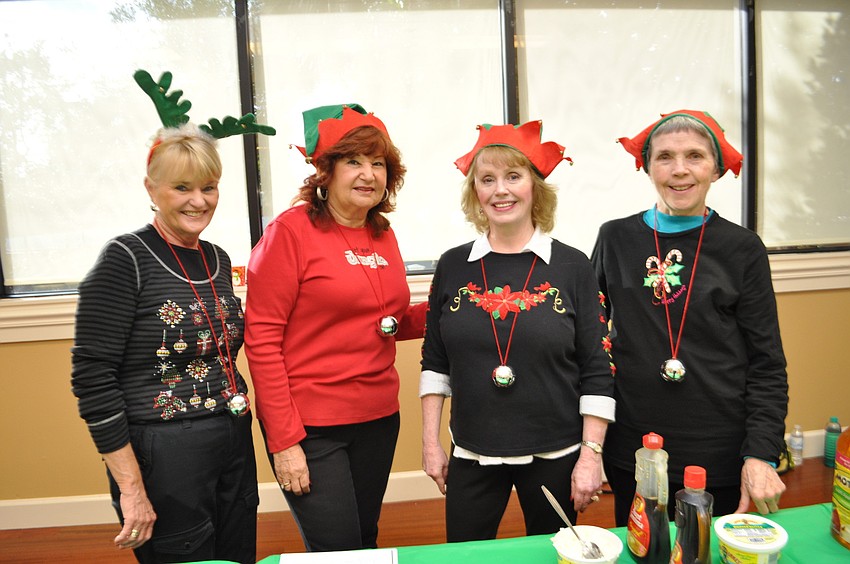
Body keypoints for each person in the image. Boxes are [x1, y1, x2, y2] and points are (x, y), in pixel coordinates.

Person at [71, 70, 275, 563]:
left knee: (237, 555)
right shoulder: (125, 258)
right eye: (182, 187)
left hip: (231, 438)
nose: (198, 201)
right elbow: (92, 378)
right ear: (152, 187)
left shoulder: (220, 259)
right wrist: (130, 488)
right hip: (163, 453)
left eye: (209, 187)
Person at [419, 120, 616, 542]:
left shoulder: (573, 266)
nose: (500, 190)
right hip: (471, 451)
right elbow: (435, 362)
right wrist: (431, 442)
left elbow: (597, 367)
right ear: (475, 192)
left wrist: (591, 454)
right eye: (487, 179)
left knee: (552, 554)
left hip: (556, 453)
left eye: (513, 176)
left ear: (535, 187)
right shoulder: (453, 265)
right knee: (466, 557)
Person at [590, 109, 789, 526]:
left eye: (695, 156)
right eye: (665, 156)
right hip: (634, 445)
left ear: (715, 169)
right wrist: (588, 445)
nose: (679, 170)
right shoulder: (615, 237)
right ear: (647, 166)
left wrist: (761, 453)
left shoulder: (742, 248)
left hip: (718, 448)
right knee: (643, 547)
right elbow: (589, 343)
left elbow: (767, 363)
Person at [244, 104, 427, 552]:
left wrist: (451, 303)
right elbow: (262, 341)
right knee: (337, 550)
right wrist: (284, 440)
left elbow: (386, 323)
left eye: (378, 163)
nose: (368, 174)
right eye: (354, 162)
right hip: (312, 427)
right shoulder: (290, 233)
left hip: (379, 419)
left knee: (365, 540)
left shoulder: (383, 234)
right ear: (325, 171)